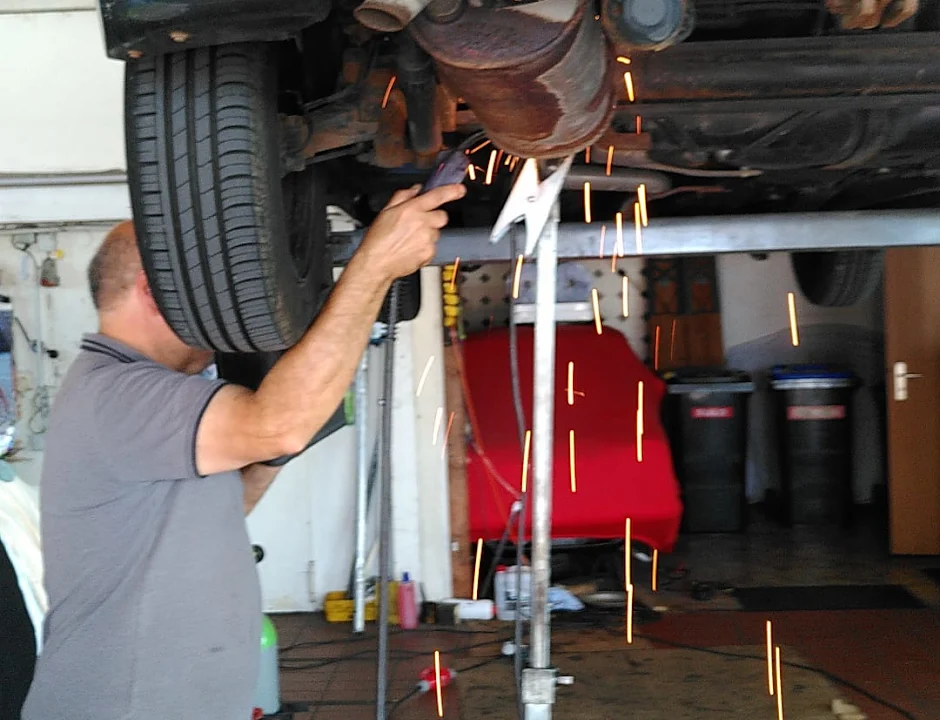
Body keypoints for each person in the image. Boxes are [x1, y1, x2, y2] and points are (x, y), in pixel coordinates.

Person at [21, 181, 466, 720]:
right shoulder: (118, 394)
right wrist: (373, 267)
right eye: (203, 295)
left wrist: (271, 442)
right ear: (154, 294)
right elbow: (279, 427)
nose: (218, 317)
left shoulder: (144, 395)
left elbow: (224, 504)